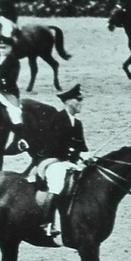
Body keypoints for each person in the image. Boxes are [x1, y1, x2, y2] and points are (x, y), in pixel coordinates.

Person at [32, 84, 91, 243]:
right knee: (57, 185)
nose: (81, 103)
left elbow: (82, 147)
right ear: (69, 101)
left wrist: (88, 156)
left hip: (68, 162)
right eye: (78, 99)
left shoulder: (77, 124)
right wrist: (70, 152)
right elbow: (52, 145)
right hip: (52, 161)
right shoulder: (57, 119)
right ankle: (46, 224)